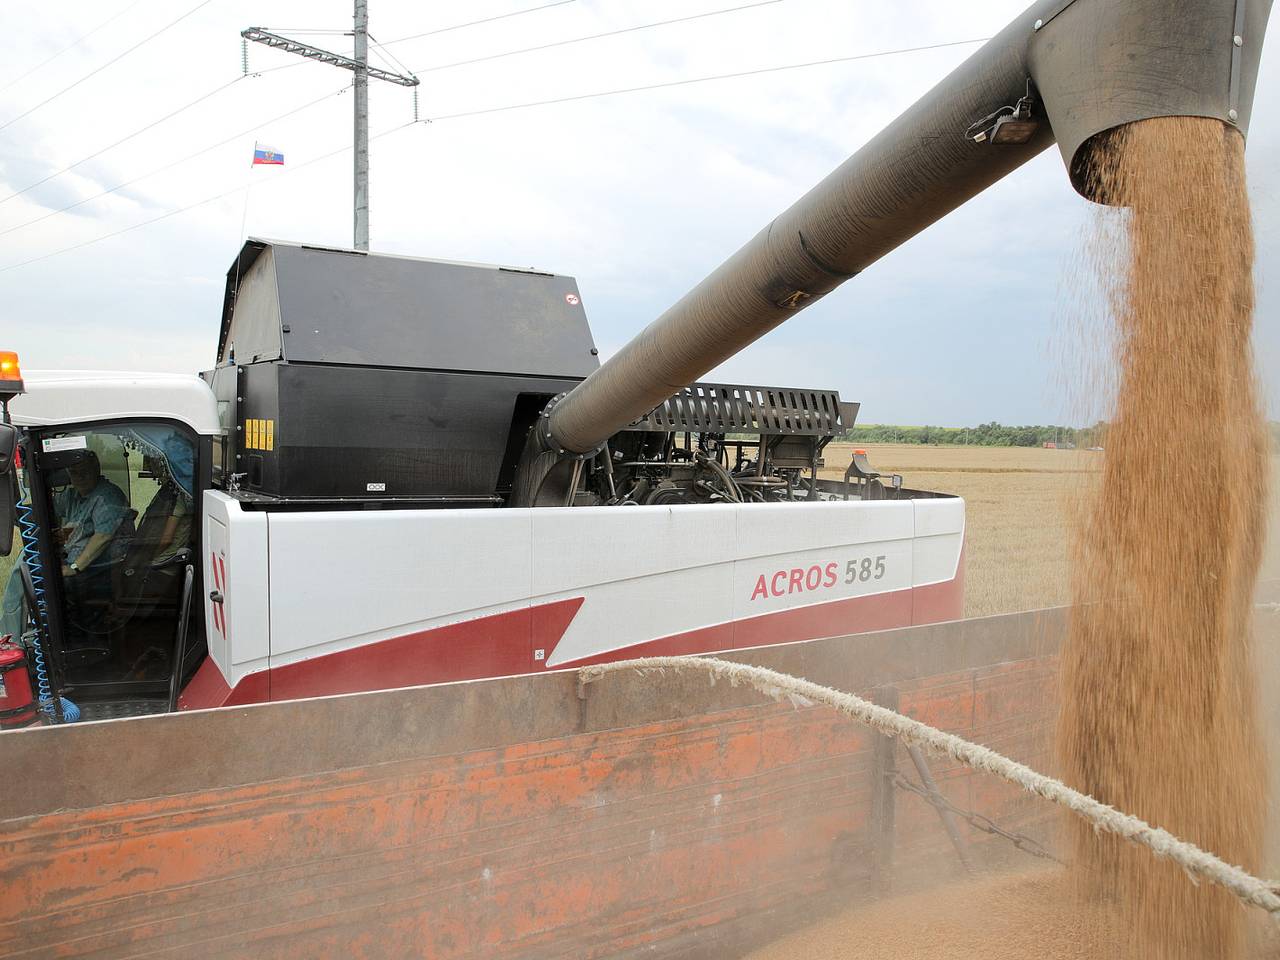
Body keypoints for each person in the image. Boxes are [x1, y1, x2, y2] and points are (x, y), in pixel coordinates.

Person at [0, 451, 130, 639]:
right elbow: (41, 511)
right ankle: (19, 637)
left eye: (85, 471)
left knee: (24, 575)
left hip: (98, 571)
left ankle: (14, 642)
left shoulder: (106, 495)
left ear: (97, 469)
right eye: (74, 472)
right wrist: (12, 510)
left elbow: (103, 537)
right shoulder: (74, 495)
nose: (80, 477)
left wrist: (73, 568)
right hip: (78, 565)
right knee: (26, 565)